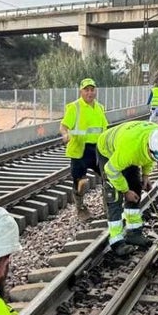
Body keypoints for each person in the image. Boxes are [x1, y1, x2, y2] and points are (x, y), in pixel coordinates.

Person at [97, 121, 158, 257]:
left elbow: (149, 158)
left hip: (128, 143)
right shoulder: (130, 150)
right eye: (154, 156)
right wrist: (125, 191)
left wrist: (145, 175)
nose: (154, 159)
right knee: (114, 195)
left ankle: (133, 234)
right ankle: (116, 242)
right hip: (108, 151)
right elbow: (111, 170)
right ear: (148, 147)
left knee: (136, 186)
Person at [59, 78, 108, 218]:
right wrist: (65, 134)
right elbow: (63, 126)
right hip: (79, 150)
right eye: (86, 90)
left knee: (108, 176)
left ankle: (108, 206)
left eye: (92, 90)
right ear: (81, 91)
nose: (90, 93)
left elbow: (104, 128)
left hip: (97, 150)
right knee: (80, 182)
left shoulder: (99, 107)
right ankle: (80, 209)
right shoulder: (74, 107)